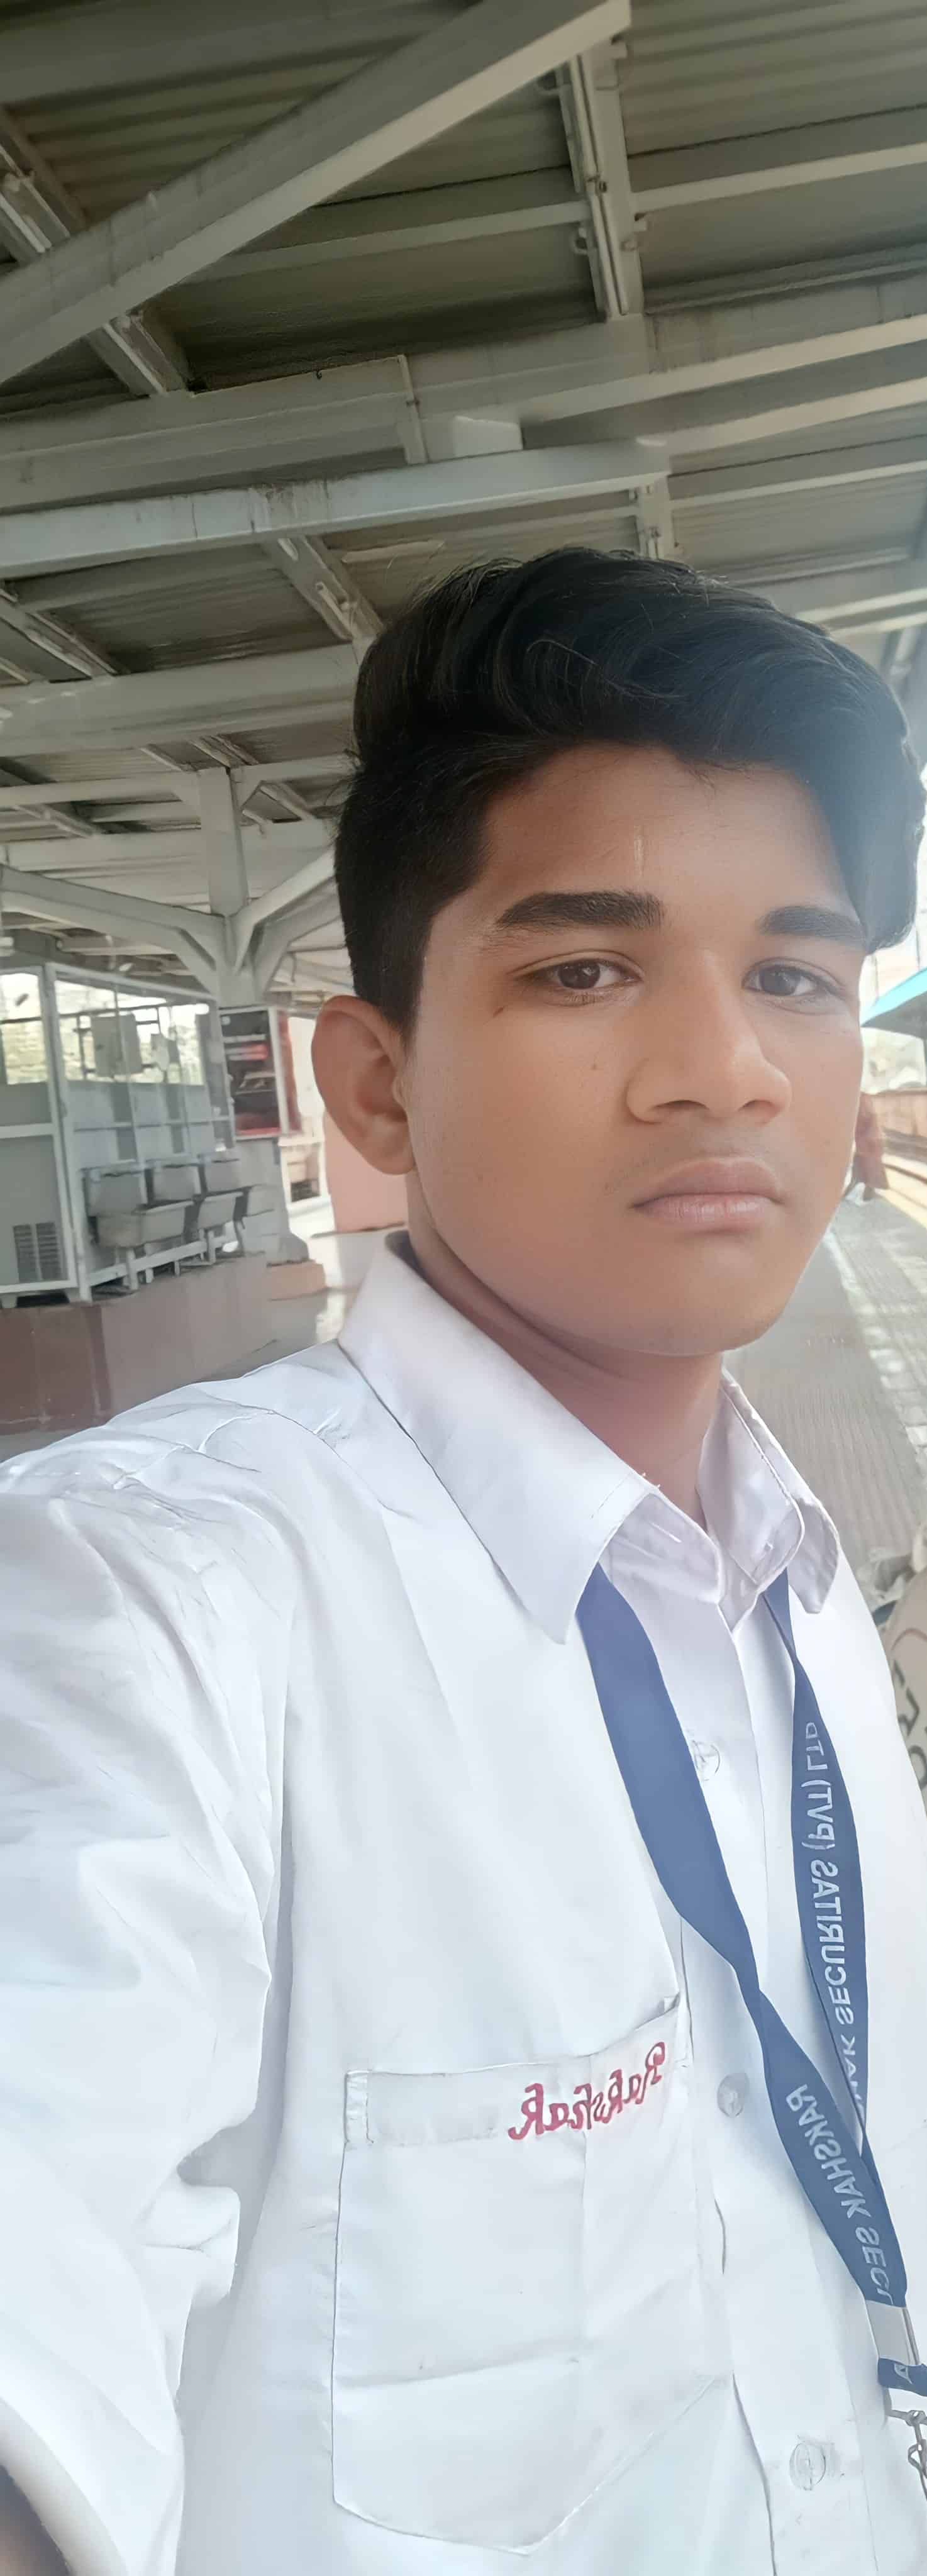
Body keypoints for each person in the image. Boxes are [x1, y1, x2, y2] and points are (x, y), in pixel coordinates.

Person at [2, 548, 927, 2576]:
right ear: (375, 1084)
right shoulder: (144, 1614)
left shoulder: (802, 1593)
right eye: (584, 971)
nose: (723, 1068)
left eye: (792, 974)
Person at [844, 1089, 889, 1200]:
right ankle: (861, 1187)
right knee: (862, 1165)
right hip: (867, 1142)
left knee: (870, 1166)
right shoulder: (862, 1099)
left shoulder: (863, 1100)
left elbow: (868, 1120)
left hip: (870, 1142)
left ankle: (868, 1190)